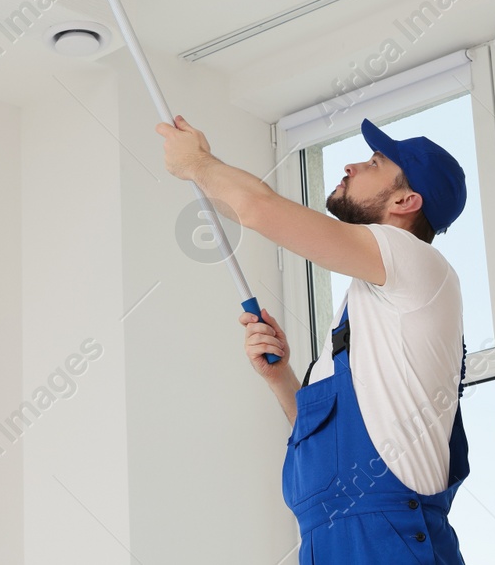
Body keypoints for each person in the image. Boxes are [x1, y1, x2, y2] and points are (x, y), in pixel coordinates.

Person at [157, 114, 471, 564]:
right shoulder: (370, 306)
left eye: (374, 163)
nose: (351, 167)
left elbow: (260, 211)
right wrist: (281, 378)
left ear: (406, 200)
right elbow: (331, 450)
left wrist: (200, 165)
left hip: (388, 543)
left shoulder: (413, 261)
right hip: (331, 544)